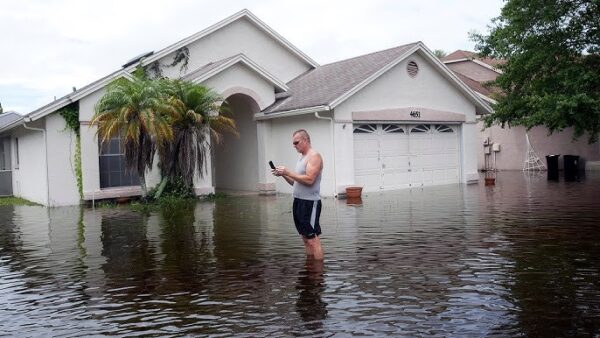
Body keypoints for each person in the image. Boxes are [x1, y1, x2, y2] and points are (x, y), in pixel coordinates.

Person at [272, 129, 324, 260]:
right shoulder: (301, 157)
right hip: (298, 202)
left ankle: (318, 276)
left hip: (310, 202)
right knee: (305, 238)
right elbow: (295, 183)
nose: (294, 146)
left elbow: (310, 180)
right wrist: (283, 174)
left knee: (312, 240)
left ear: (305, 140)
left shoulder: (314, 156)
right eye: (293, 143)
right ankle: (310, 268)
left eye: (296, 142)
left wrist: (288, 172)